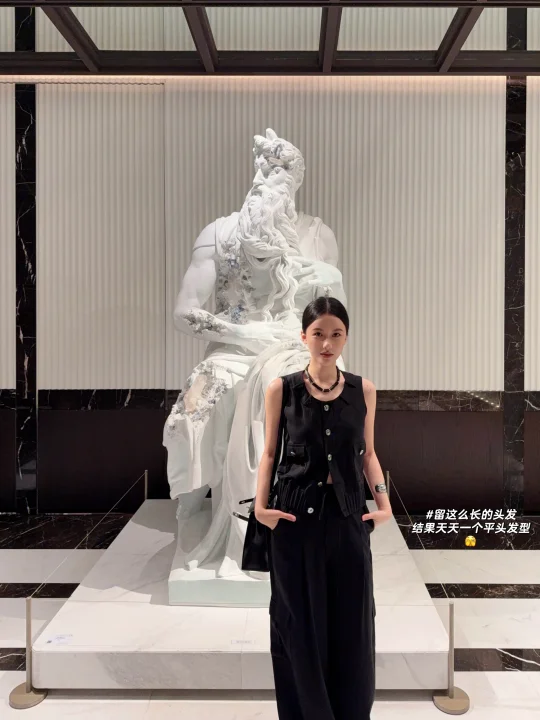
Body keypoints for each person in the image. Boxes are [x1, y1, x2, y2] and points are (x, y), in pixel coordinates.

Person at [254, 296, 393, 720]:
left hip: (348, 518)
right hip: (295, 521)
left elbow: (369, 454)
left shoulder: (363, 390)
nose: (327, 343)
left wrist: (384, 503)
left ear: (346, 337)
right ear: (304, 337)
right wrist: (261, 508)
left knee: (354, 623)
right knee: (299, 626)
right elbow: (269, 453)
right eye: (318, 334)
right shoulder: (282, 389)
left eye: (336, 334)